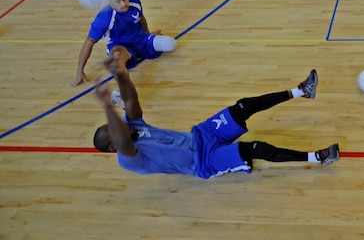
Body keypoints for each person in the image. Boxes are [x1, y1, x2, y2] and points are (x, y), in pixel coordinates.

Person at [92, 56, 340, 178]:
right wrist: (106, 105)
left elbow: (131, 100)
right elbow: (124, 140)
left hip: (202, 134)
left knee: (244, 106)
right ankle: (317, 158)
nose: (118, 126)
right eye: (112, 129)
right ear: (112, 148)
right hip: (205, 161)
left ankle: (301, 91)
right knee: (257, 148)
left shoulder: (131, 125)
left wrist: (121, 74)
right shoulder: (127, 159)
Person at [71, 0, 177, 87]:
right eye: (118, 2)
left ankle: (143, 50)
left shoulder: (135, 1)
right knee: (118, 60)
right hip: (121, 46)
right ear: (110, 2)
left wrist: (148, 34)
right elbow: (89, 42)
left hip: (141, 39)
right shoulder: (103, 19)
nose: (123, 4)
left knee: (171, 44)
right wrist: (80, 70)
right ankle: (124, 94)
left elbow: (141, 18)